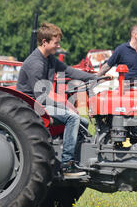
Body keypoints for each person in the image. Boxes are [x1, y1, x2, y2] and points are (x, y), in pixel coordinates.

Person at [16, 22, 101, 177]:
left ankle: (79, 158)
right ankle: (67, 165)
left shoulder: (49, 59)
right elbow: (40, 98)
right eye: (56, 43)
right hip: (31, 106)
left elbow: (69, 71)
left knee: (84, 122)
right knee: (73, 117)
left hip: (39, 102)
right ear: (44, 42)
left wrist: (94, 77)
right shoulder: (36, 63)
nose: (58, 46)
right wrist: (64, 107)